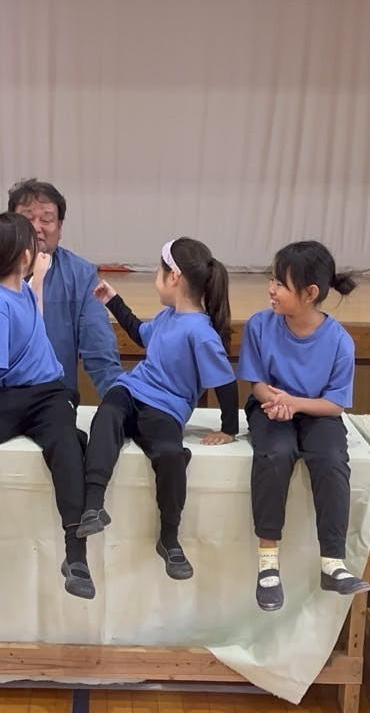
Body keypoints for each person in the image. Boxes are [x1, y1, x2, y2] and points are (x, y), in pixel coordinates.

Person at [0, 211, 96, 600]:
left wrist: (37, 279)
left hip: (46, 394)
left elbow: (32, 315)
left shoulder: (20, 290)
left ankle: (75, 555)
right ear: (25, 255)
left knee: (67, 445)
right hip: (7, 397)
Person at [78, 238, 238, 583]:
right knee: (106, 416)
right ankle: (92, 505)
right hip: (131, 390)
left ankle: (169, 538)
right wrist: (113, 301)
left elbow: (225, 382)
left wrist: (229, 428)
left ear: (174, 277)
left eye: (158, 271)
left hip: (164, 410)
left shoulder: (201, 333)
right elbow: (141, 334)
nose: (156, 278)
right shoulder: (168, 316)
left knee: (169, 454)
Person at [238, 240, 369, 612]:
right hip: (270, 407)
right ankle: (268, 563)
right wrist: (275, 402)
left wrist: (295, 404)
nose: (271, 289)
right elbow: (257, 383)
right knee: (275, 454)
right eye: (271, 279)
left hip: (316, 411)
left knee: (331, 459)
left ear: (310, 293)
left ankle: (333, 563)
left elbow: (335, 403)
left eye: (280, 283)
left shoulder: (339, 341)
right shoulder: (259, 325)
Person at [0, 178, 122, 398]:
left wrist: (119, 402)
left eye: (46, 219)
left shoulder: (81, 274)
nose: (36, 228)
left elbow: (101, 352)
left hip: (54, 399)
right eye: (27, 219)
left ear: (60, 227)